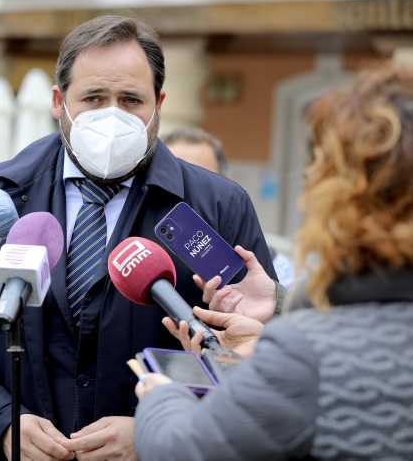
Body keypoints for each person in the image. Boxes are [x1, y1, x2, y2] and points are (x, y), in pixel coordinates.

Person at [0, 15, 277, 461]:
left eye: (131, 100)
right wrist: (0, 421)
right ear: (58, 102)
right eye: (93, 98)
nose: (111, 116)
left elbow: (254, 359)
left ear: (159, 104)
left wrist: (157, 428)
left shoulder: (218, 207)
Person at [134, 64, 413, 460]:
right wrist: (275, 315)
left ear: (343, 198)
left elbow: (183, 449)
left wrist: (163, 398)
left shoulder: (308, 352)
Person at [162, 126, 295, 288]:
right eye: (172, 182)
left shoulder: (281, 272)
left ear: (227, 185)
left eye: (199, 179)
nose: (184, 193)